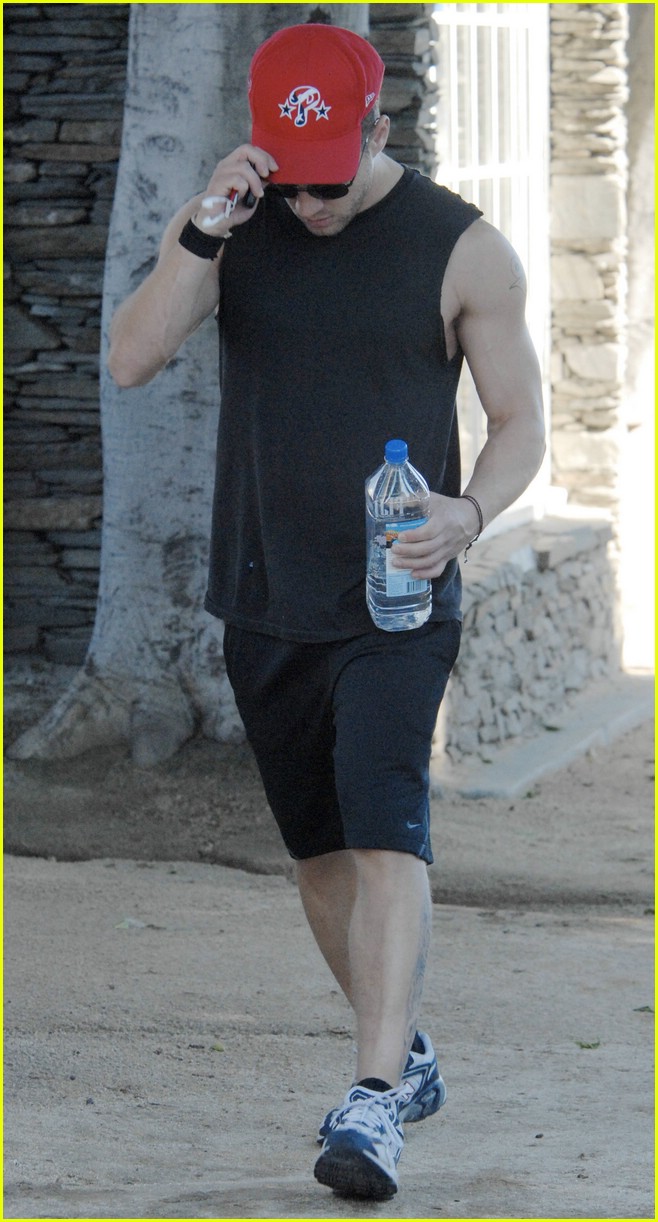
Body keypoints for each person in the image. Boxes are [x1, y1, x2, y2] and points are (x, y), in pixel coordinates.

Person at [108, 22, 545, 1202]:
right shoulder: (230, 228)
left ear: (378, 129)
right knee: (317, 857)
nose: (308, 205)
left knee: (385, 828)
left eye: (330, 182)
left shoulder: (463, 248)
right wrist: (203, 230)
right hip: (265, 596)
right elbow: (133, 358)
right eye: (291, 182)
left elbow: (519, 425)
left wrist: (467, 512)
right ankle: (405, 1058)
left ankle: (370, 1098)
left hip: (400, 599)